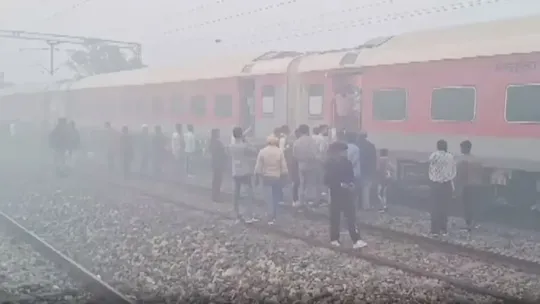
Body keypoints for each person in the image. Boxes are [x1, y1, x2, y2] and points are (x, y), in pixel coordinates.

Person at [324, 141, 367, 249]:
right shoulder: (329, 164)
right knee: (335, 217)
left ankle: (356, 239)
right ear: (337, 152)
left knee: (351, 217)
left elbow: (350, 176)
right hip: (336, 193)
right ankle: (334, 239)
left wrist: (351, 183)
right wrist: (340, 184)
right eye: (344, 151)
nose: (345, 153)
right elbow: (327, 180)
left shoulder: (347, 162)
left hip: (347, 193)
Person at [255, 135, 288, 225]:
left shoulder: (262, 151)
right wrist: (284, 175)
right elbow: (283, 166)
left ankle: (269, 214)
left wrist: (258, 175)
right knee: (276, 196)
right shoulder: (279, 151)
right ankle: (275, 214)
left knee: (268, 197)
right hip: (277, 177)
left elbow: (258, 166)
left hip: (266, 177)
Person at [230, 127, 258, 223]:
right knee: (248, 194)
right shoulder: (244, 146)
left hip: (235, 172)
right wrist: (245, 139)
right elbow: (255, 150)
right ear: (241, 134)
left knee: (236, 194)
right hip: (245, 172)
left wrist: (242, 138)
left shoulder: (231, 146)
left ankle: (236, 214)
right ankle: (248, 216)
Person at [428, 139, 456, 236]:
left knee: (435, 207)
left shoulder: (433, 156)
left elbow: (430, 168)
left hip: (435, 185)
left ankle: (434, 230)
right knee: (444, 208)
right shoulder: (450, 157)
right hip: (446, 185)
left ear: (437, 146)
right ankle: (443, 229)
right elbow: (453, 172)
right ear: (446, 146)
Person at [455, 140, 483, 232]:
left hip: (467, 185)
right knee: (473, 204)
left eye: (461, 147)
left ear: (464, 148)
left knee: (466, 205)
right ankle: (473, 223)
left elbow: (459, 175)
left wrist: (456, 185)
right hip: (476, 185)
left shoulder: (461, 160)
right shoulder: (476, 159)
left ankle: (468, 224)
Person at [293, 124, 318, 207]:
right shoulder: (311, 141)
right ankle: (309, 201)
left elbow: (294, 155)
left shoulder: (297, 142)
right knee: (310, 183)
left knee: (302, 183)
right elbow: (315, 153)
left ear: (300, 131)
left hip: (301, 164)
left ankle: (301, 201)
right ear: (307, 131)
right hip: (311, 164)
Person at [357, 132, 377, 209]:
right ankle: (366, 206)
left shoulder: (357, 145)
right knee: (366, 188)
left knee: (358, 187)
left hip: (359, 168)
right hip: (368, 169)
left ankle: (357, 205)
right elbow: (374, 159)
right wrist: (374, 170)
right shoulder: (371, 146)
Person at [209, 128, 227, 202]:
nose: (219, 134)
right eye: (218, 133)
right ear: (216, 134)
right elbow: (223, 153)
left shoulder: (211, 142)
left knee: (215, 180)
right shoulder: (218, 143)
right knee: (218, 180)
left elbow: (210, 150)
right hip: (219, 164)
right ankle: (216, 196)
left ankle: (214, 196)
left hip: (214, 163)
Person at [345, 131, 362, 206]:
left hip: (346, 172)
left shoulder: (345, 147)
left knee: (347, 189)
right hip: (355, 172)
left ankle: (347, 204)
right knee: (355, 190)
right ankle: (355, 205)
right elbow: (355, 160)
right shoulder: (356, 148)